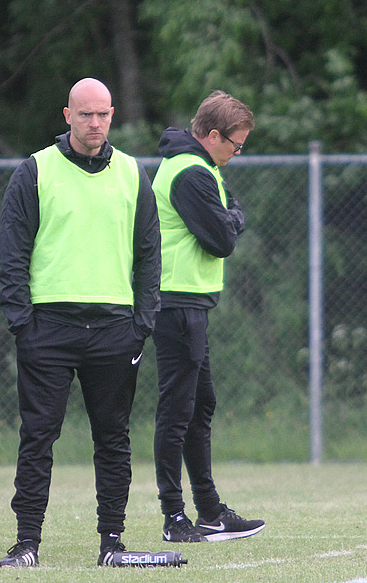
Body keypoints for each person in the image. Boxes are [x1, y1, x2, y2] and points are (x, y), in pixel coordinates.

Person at [0, 78, 161, 567]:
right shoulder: (36, 171)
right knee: (38, 436)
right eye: (85, 114)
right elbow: (11, 254)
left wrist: (142, 324)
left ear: (112, 116)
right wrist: (22, 325)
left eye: (103, 114)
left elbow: (151, 255)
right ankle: (27, 543)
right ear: (66, 115)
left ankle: (112, 541)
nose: (95, 123)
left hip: (115, 329)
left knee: (113, 438)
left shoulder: (133, 173)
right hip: (48, 327)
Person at [151, 90, 265, 543]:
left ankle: (211, 512)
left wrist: (230, 218)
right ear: (212, 135)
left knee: (200, 406)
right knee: (178, 411)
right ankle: (174, 515)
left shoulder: (201, 167)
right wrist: (231, 220)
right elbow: (223, 236)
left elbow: (231, 216)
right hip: (177, 303)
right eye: (235, 145)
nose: (237, 154)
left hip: (191, 303)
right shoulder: (191, 173)